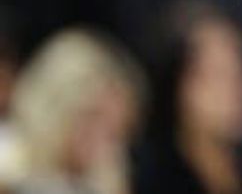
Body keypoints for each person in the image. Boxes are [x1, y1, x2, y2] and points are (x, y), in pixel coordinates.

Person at [0, 29, 143, 194]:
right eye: (92, 117)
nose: (101, 143)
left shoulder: (102, 182)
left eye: (114, 133)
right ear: (57, 105)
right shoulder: (6, 158)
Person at [134, 0, 242, 194]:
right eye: (216, 73)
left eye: (240, 69)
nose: (236, 87)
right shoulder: (155, 181)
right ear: (176, 86)